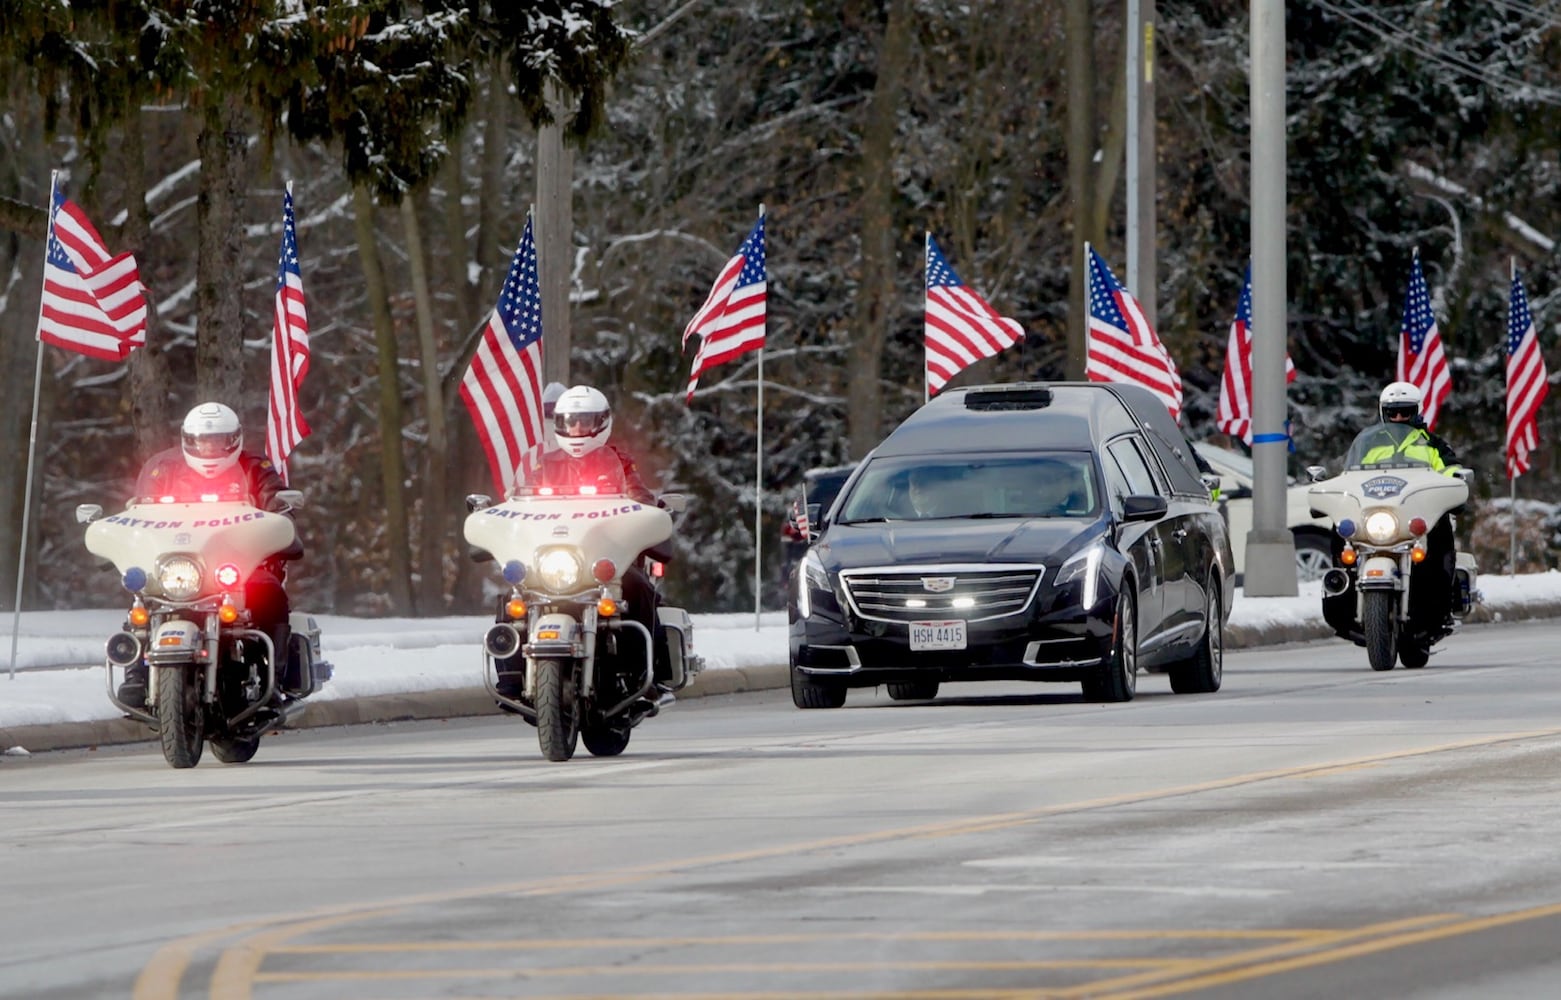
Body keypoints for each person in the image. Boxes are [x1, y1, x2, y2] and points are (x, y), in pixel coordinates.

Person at [117, 402, 298, 708]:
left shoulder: (256, 467)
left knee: (270, 594)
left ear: (234, 439)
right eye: (202, 440)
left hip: (239, 567)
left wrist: (284, 526)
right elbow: (138, 516)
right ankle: (136, 673)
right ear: (188, 439)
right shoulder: (162, 468)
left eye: (218, 441)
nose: (210, 448)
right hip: (178, 570)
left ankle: (275, 676)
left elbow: (276, 508)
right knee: (142, 600)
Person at [1335, 382, 1462, 635]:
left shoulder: (1432, 444)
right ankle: (1340, 594)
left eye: (1405, 412)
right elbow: (1348, 476)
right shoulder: (1368, 444)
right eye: (1393, 412)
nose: (1399, 418)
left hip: (1417, 516)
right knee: (1339, 531)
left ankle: (1440, 605)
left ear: (1416, 411)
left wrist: (1456, 484)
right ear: (1383, 412)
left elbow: (1451, 471)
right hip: (1376, 514)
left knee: (1440, 535)